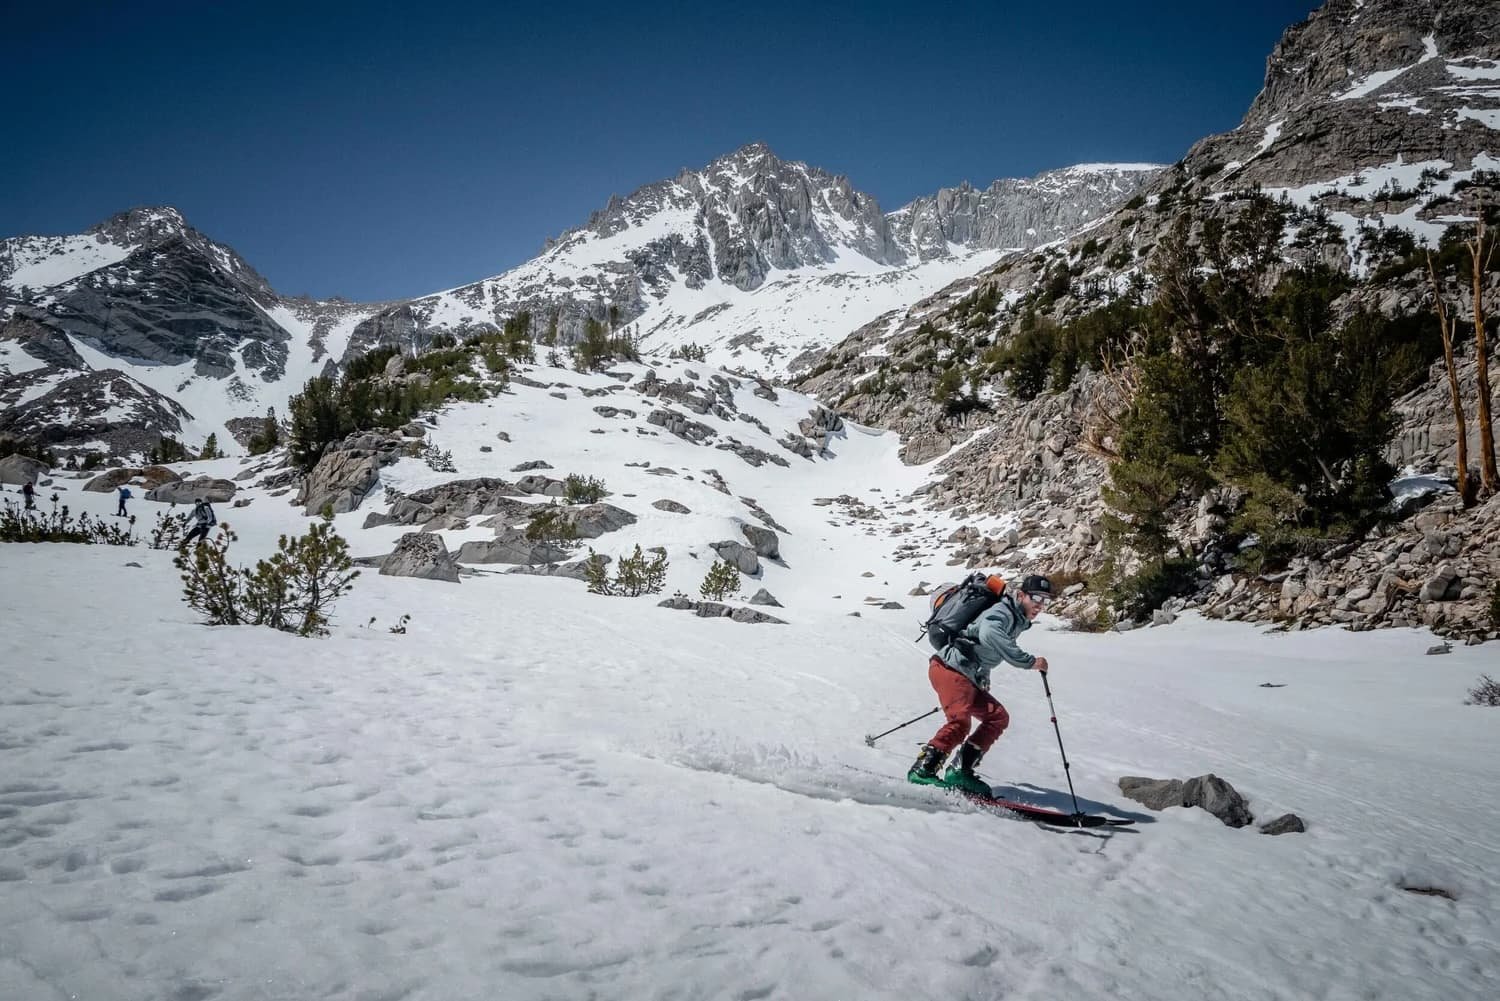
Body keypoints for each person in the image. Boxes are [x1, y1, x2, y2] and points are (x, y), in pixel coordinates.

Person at [908, 573, 1055, 796]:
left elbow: (980, 648)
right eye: (1035, 597)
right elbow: (988, 633)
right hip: (950, 669)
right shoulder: (1003, 612)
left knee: (997, 717)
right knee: (960, 724)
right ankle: (922, 770)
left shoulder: (1015, 619)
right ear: (1021, 595)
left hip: (965, 673)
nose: (1039, 605)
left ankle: (960, 770)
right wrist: (1030, 661)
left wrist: (982, 678)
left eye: (1045, 600)